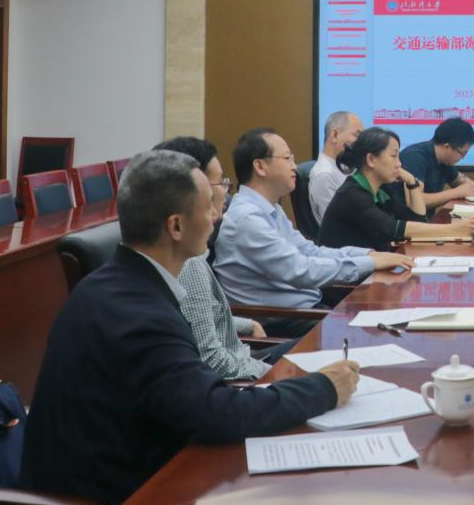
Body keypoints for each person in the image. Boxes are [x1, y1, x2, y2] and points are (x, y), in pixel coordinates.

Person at [19, 150, 359, 505]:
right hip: (122, 492)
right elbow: (215, 413)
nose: (217, 215)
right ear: (176, 227)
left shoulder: (119, 283)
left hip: (138, 467)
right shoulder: (138, 315)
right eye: (208, 205)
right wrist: (323, 388)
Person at [213, 128, 414, 335]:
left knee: (388, 325)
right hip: (282, 321)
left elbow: (310, 251)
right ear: (260, 166)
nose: (294, 166)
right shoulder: (248, 219)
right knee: (378, 333)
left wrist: (368, 255)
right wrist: (369, 263)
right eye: (287, 158)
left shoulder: (270, 210)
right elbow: (300, 270)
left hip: (306, 310)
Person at [154, 136, 277, 380]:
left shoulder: (185, 252)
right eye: (221, 182)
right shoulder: (187, 261)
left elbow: (201, 317)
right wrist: (279, 374)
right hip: (239, 375)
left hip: (241, 358)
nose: (226, 192)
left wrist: (246, 324)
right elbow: (211, 360)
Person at [319, 127, 474, 251]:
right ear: (371, 160)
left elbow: (417, 222)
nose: (399, 163)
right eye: (393, 156)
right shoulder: (352, 194)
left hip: (371, 267)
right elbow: (393, 229)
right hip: (348, 279)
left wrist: (412, 182)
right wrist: (453, 230)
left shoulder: (382, 190)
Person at [397, 117, 474, 210]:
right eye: (463, 153)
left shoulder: (445, 161)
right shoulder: (415, 157)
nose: (463, 157)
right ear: (447, 147)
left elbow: (463, 183)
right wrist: (455, 193)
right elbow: (414, 202)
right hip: (403, 218)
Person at [309, 110, 363, 224]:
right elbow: (337, 224)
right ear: (334, 135)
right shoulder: (324, 175)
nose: (361, 142)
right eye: (357, 135)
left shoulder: (345, 167)